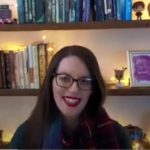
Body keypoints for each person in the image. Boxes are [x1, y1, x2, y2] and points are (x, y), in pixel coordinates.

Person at [10, 45, 132, 149]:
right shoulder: (26, 134)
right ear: (50, 83)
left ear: (93, 89)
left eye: (84, 81)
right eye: (64, 78)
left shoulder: (118, 135)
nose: (74, 89)